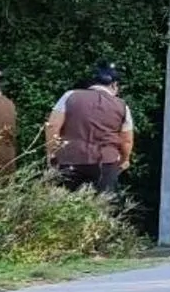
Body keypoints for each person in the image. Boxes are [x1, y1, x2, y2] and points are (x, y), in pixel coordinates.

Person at [46, 63, 135, 197]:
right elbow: (126, 140)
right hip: (105, 163)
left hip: (70, 159)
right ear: (114, 85)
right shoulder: (122, 106)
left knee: (63, 205)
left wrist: (52, 153)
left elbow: (53, 126)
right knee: (103, 209)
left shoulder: (70, 96)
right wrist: (124, 160)